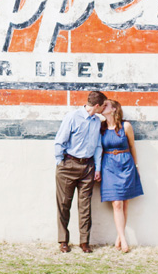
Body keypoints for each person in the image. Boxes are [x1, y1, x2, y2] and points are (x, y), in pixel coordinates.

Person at [53, 91, 108, 253]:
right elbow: (60, 141)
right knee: (63, 204)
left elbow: (98, 146)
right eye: (103, 105)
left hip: (88, 167)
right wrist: (60, 162)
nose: (104, 108)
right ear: (97, 106)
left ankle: (84, 241)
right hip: (68, 165)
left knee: (85, 206)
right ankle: (63, 241)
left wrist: (97, 168)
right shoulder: (72, 117)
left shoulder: (97, 121)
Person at [94, 99, 143, 253]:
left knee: (124, 203)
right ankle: (123, 239)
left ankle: (119, 238)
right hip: (109, 166)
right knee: (117, 203)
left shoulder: (125, 126)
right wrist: (98, 169)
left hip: (126, 164)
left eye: (106, 105)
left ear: (114, 109)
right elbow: (97, 150)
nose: (103, 107)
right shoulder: (100, 128)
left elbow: (132, 146)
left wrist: (136, 166)